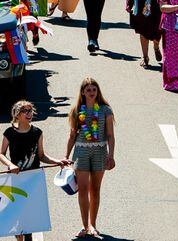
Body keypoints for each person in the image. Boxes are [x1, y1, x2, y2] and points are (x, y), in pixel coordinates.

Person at [0, 102, 68, 241]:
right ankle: (19, 235)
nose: (29, 114)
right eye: (25, 111)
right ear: (17, 115)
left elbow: (41, 155)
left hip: (33, 179)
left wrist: (57, 161)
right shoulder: (9, 133)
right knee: (18, 212)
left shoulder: (37, 133)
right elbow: (1, 154)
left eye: (30, 111)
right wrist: (10, 165)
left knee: (29, 214)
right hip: (16, 178)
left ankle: (26, 237)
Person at [64, 78, 115, 240]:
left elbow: (110, 135)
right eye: (88, 90)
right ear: (83, 92)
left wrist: (111, 155)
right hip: (81, 152)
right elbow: (72, 135)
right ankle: (85, 226)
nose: (92, 92)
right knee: (83, 189)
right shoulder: (76, 110)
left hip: (100, 151)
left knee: (95, 189)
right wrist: (66, 157)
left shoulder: (106, 110)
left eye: (94, 89)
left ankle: (93, 225)